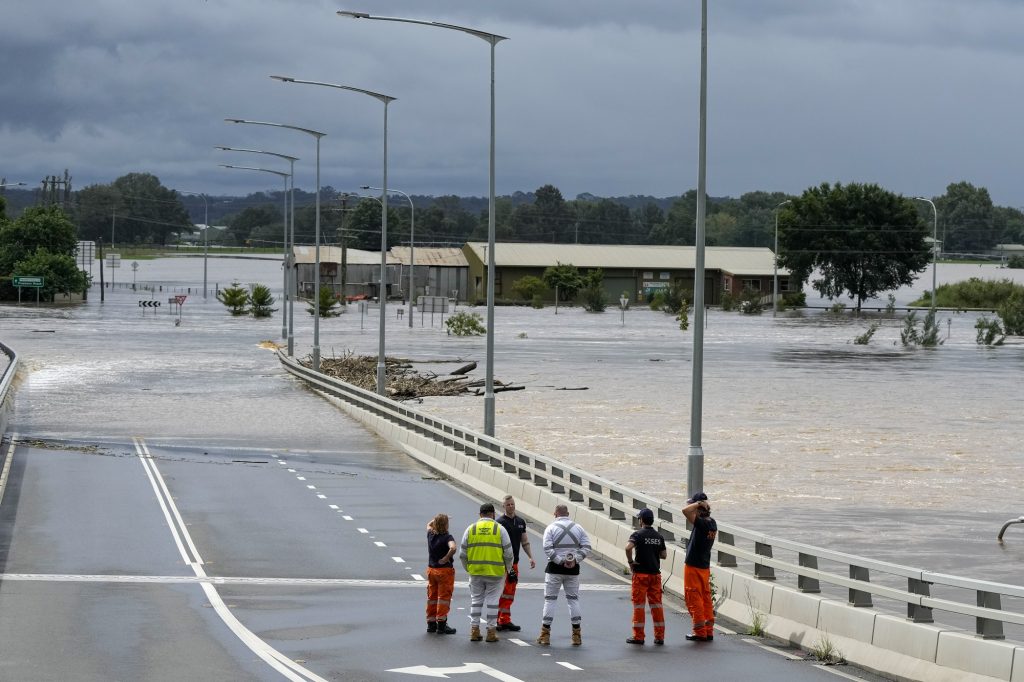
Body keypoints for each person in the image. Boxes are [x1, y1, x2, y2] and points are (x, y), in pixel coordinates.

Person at [537, 504, 592, 647]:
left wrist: (560, 561)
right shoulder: (578, 528)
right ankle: (576, 635)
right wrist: (575, 559)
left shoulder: (550, 528)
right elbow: (587, 546)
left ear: (555, 514)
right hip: (573, 570)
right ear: (568, 513)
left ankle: (545, 635)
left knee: (550, 601)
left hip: (554, 569)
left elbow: (547, 548)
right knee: (573, 600)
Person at [459, 502, 514, 643]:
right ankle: (491, 632)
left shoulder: (470, 529)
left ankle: (474, 630)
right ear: (493, 514)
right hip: (495, 572)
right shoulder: (499, 529)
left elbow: (462, 554)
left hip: (476, 572)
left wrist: (468, 568)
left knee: (476, 601)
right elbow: (508, 553)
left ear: (480, 514)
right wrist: (508, 568)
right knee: (492, 602)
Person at [625, 508, 668, 646]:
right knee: (657, 606)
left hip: (641, 575)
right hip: (655, 576)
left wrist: (631, 562)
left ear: (641, 520)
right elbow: (664, 555)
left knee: (639, 606)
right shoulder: (658, 536)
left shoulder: (638, 535)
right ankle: (659, 637)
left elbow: (628, 548)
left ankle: (639, 637)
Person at [495, 495, 536, 632]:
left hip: (515, 563)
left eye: (512, 504)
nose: (511, 507)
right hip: (503, 564)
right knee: (502, 592)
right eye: (508, 505)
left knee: (510, 592)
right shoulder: (500, 522)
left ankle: (505, 619)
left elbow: (524, 541)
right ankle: (498, 619)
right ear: (503, 506)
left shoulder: (520, 522)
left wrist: (530, 557)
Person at [682, 491, 717, 642]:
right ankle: (708, 630)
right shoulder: (712, 523)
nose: (692, 507)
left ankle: (699, 631)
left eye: (694, 505)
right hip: (704, 566)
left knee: (694, 597)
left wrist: (699, 504)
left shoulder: (702, 523)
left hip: (694, 566)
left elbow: (685, 511)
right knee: (705, 598)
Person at [426, 513, 457, 635]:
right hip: (444, 571)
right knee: (443, 598)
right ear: (446, 524)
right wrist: (445, 558)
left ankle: (431, 623)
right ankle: (441, 624)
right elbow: (453, 548)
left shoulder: (430, 534)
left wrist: (436, 520)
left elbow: (428, 524)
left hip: (431, 570)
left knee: (432, 597)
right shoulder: (447, 537)